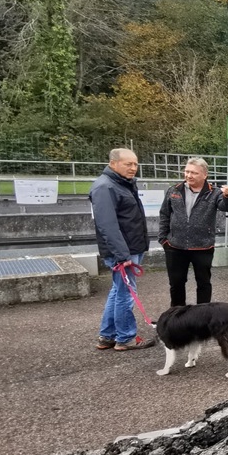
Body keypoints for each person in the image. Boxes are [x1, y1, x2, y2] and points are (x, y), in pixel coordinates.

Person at [90, 148, 155, 351]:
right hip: (123, 252)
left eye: (135, 164)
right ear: (113, 163)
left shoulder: (121, 184)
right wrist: (122, 255)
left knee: (118, 291)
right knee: (126, 294)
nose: (133, 168)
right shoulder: (105, 187)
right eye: (128, 164)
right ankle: (125, 337)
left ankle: (107, 335)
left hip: (129, 248)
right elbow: (107, 225)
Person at [158, 157, 228, 306]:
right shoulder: (174, 190)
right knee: (176, 284)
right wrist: (163, 239)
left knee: (204, 284)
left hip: (203, 247)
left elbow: (226, 207)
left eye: (193, 173)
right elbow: (164, 214)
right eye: (187, 171)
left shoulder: (214, 193)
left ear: (204, 175)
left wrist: (227, 195)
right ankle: (178, 316)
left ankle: (202, 316)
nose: (189, 175)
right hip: (175, 247)